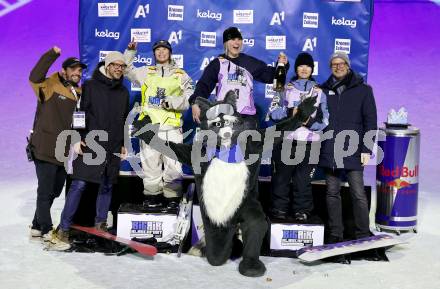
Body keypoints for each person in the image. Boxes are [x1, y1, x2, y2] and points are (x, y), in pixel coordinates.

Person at [49, 51, 129, 250]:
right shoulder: (91, 86)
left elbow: (124, 120)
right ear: (108, 66)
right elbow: (79, 113)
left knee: (107, 185)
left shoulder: (123, 92)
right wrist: (77, 137)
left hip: (112, 146)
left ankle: (100, 224)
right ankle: (64, 229)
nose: (119, 68)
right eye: (115, 65)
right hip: (91, 143)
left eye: (122, 66)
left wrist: (123, 142)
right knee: (79, 184)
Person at [123, 39, 194, 209]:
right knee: (150, 165)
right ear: (154, 53)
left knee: (173, 167)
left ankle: (172, 199)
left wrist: (174, 102)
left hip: (172, 127)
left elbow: (191, 97)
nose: (161, 52)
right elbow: (126, 70)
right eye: (157, 50)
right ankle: (152, 198)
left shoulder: (180, 74)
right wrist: (130, 53)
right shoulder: (146, 71)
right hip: (150, 128)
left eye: (164, 49)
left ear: (170, 52)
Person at [319, 52, 377, 248]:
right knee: (332, 193)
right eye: (334, 64)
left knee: (358, 194)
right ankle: (336, 234)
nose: (338, 66)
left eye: (342, 63)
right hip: (330, 149)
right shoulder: (323, 91)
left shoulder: (364, 90)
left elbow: (371, 121)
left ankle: (363, 233)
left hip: (354, 149)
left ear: (348, 65)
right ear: (331, 67)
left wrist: (366, 149)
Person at [28, 46, 86, 240]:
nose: (77, 73)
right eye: (73, 69)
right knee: (45, 192)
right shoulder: (49, 85)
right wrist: (52, 54)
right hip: (44, 147)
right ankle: (46, 229)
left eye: (80, 70)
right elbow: (35, 76)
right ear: (64, 71)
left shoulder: (78, 92)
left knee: (56, 189)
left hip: (61, 152)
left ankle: (36, 225)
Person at [269, 52, 329, 222]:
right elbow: (272, 113)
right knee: (281, 179)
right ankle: (279, 209)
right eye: (301, 66)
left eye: (308, 66)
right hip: (286, 141)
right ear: (296, 68)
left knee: (303, 182)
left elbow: (325, 120)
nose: (304, 69)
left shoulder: (319, 92)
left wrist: (309, 121)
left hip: (309, 143)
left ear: (312, 69)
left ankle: (302, 210)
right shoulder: (285, 88)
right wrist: (291, 113)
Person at [190, 26, 288, 129]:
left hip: (247, 118)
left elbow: (270, 76)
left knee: (247, 144)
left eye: (239, 39)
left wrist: (282, 65)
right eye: (232, 39)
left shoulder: (249, 62)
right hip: (224, 116)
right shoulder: (217, 64)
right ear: (225, 43)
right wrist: (195, 102)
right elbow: (204, 85)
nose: (237, 43)